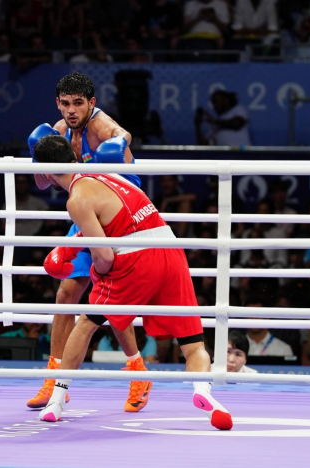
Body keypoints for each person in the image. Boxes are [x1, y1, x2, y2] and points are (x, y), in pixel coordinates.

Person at [33, 135, 232, 430]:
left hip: (136, 258)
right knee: (192, 342)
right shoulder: (105, 172)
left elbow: (105, 257)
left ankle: (57, 399)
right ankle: (203, 392)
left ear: (46, 172)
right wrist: (77, 242)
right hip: (171, 250)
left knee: (87, 321)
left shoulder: (76, 199)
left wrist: (96, 275)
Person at [26, 71, 150, 411]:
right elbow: (41, 184)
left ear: (91, 103)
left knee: (109, 299)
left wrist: (116, 145)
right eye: (65, 104)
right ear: (58, 103)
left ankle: (137, 370)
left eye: (78, 103)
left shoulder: (101, 127)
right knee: (67, 293)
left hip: (123, 213)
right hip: (89, 214)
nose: (71, 110)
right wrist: (35, 153)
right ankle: (54, 381)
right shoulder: (60, 132)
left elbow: (122, 134)